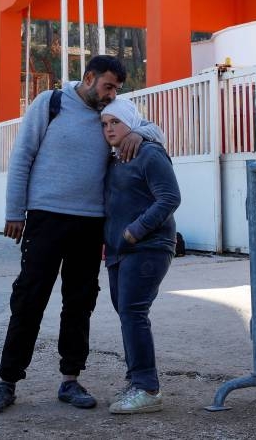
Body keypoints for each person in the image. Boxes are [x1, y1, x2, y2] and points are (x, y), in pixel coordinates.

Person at [0, 56, 163, 415]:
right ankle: (7, 382)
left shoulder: (110, 111)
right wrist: (15, 211)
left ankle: (70, 379)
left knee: (80, 303)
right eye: (108, 86)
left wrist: (139, 133)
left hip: (90, 223)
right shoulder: (49, 103)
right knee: (29, 299)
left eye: (116, 90)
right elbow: (22, 157)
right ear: (89, 77)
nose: (111, 95)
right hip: (45, 219)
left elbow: (153, 129)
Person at [100, 98, 180, 414]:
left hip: (149, 247)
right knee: (127, 312)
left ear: (130, 122)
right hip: (120, 251)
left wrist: (135, 230)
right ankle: (137, 381)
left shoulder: (149, 153)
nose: (108, 129)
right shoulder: (114, 157)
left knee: (133, 312)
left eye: (115, 123)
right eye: (104, 124)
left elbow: (170, 197)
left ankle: (147, 388)